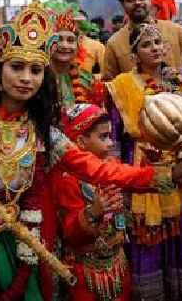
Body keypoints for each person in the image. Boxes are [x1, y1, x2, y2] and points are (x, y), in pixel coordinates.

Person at [0, 0, 182, 301]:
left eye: (36, 70)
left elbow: (98, 168)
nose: (26, 78)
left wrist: (162, 176)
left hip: (24, 239)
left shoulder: (44, 132)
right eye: (17, 67)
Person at [105, 23, 182, 300]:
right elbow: (114, 136)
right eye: (146, 45)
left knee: (179, 233)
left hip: (179, 168)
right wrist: (116, 179)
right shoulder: (122, 86)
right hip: (141, 171)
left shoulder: (178, 82)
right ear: (134, 55)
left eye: (158, 43)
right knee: (147, 237)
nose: (155, 48)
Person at [55, 104, 130, 301]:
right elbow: (70, 233)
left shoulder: (111, 166)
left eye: (110, 136)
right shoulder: (68, 179)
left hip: (118, 264)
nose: (111, 143)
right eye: (103, 137)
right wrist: (93, 211)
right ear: (80, 141)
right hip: (85, 271)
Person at [102, 0, 182, 81]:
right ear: (122, 4)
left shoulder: (175, 31)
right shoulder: (114, 44)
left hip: (177, 95)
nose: (137, 2)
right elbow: (109, 85)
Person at [48, 10, 103, 109]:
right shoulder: (39, 76)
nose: (64, 45)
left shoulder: (86, 79)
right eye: (59, 39)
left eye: (70, 40)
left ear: (78, 45)